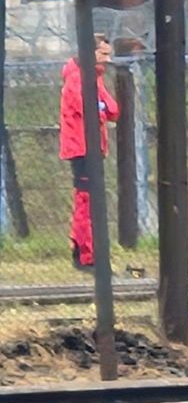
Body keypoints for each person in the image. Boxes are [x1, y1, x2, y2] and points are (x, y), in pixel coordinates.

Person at [59, 35, 120, 270]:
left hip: (93, 147)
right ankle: (85, 254)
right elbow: (88, 109)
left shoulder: (94, 78)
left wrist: (100, 107)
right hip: (82, 148)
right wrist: (100, 108)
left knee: (89, 200)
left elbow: (112, 110)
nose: (107, 60)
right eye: (103, 54)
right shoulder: (77, 77)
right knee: (86, 200)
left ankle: (83, 248)